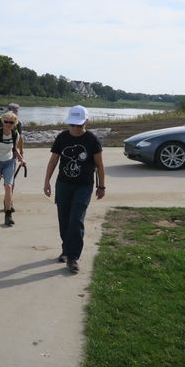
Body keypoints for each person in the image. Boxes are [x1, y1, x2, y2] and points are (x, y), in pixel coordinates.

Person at [43, 105, 105, 274]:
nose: (76, 129)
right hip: (63, 184)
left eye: (80, 125)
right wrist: (47, 181)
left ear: (86, 122)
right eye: (73, 125)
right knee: (64, 220)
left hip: (84, 186)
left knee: (76, 220)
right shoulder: (62, 137)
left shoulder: (92, 140)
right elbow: (53, 160)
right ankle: (66, 248)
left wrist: (101, 186)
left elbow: (99, 165)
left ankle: (73, 257)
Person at [0, 111, 25, 225]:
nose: (8, 124)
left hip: (9, 162)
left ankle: (8, 214)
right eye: (6, 121)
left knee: (8, 186)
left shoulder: (15, 134)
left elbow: (14, 149)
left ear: (15, 123)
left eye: (11, 122)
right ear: (3, 122)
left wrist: (21, 158)